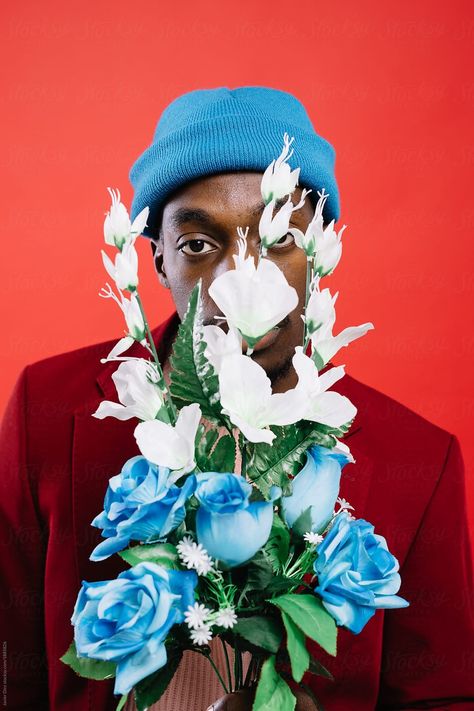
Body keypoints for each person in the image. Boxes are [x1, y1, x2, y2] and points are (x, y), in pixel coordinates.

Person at [0, 86, 473, 711]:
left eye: (279, 240)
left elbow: (442, 697)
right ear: (159, 260)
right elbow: (14, 672)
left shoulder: (420, 458)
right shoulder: (49, 409)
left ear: (321, 254)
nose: (239, 282)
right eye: (199, 245)